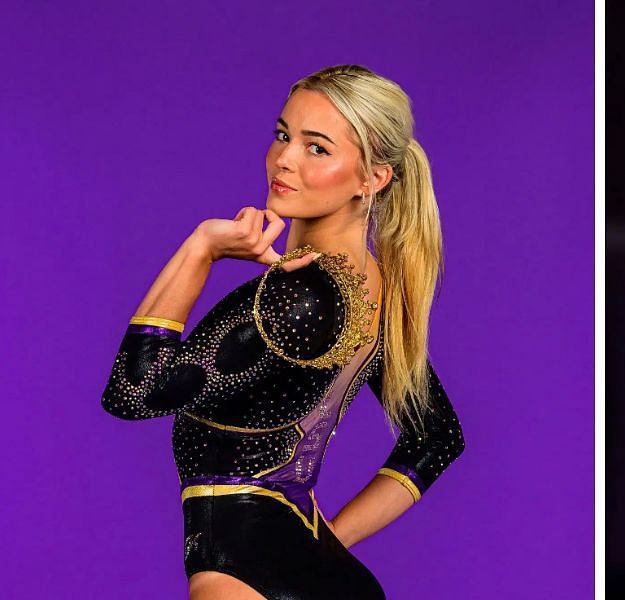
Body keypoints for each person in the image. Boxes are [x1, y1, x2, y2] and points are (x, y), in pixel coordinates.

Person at [101, 64, 465, 600]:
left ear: (373, 178)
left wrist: (201, 248)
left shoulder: (296, 298)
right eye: (282, 135)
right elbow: (436, 439)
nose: (284, 159)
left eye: (317, 148)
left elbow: (133, 393)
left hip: (240, 575)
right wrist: (321, 547)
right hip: (318, 573)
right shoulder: (374, 289)